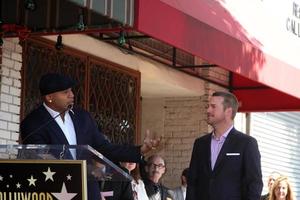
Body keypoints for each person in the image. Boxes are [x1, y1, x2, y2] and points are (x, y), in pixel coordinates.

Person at [20, 73, 161, 200]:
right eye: (65, 92)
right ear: (49, 97)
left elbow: (104, 148)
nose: (71, 95)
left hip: (88, 191)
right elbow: (40, 157)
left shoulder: (82, 117)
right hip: (55, 191)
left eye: (71, 90)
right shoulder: (33, 123)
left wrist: (140, 150)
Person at [186, 91, 263, 200]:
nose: (208, 110)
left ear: (228, 111)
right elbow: (192, 182)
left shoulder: (247, 143)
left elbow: (254, 183)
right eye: (208, 106)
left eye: (213, 107)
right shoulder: (200, 143)